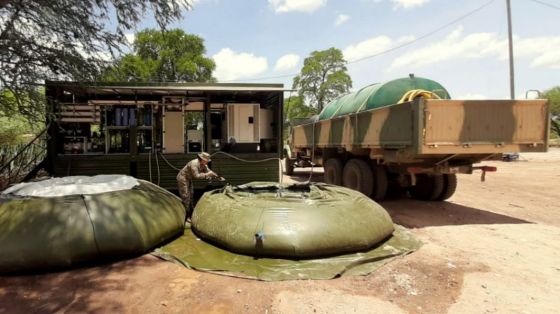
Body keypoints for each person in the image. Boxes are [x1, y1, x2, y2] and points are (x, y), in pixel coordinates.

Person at [176, 152, 219, 221]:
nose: (207, 162)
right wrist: (208, 174)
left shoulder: (204, 164)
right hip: (183, 178)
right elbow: (197, 176)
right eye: (206, 160)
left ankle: (191, 212)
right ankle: (186, 216)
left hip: (189, 178)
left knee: (191, 194)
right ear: (202, 159)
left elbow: (208, 171)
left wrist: (216, 176)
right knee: (186, 196)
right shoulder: (194, 164)